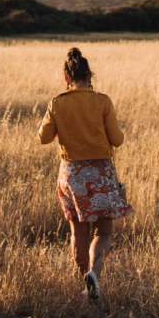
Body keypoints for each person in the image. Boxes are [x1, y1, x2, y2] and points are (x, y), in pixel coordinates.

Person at [38, 46, 132, 302]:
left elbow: (43, 138)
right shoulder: (102, 101)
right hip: (101, 171)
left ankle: (83, 282)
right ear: (90, 76)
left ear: (67, 78)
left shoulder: (57, 102)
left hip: (71, 173)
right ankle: (94, 275)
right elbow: (117, 139)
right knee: (104, 231)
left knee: (78, 232)